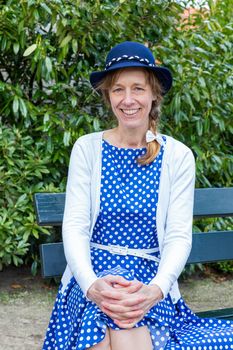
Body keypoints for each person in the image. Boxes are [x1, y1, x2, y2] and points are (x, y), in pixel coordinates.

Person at [43, 41, 233, 350]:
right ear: (107, 95)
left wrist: (154, 291)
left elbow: (178, 236)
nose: (128, 99)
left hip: (148, 281)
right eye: (118, 89)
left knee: (125, 316)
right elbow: (76, 227)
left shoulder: (178, 156)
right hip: (91, 277)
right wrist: (92, 285)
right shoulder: (87, 149)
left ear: (154, 93)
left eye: (138, 89)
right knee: (104, 315)